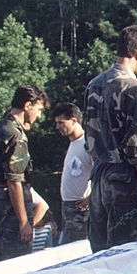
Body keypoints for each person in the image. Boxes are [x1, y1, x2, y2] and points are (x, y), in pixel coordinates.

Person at [84, 25, 137, 252]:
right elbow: (136, 145)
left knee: (99, 251)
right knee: (125, 251)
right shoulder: (132, 86)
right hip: (124, 180)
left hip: (99, 176)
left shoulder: (94, 84)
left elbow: (89, 137)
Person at [0, 85, 49, 264]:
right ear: (28, 105)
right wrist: (23, 222)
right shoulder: (15, 134)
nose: (39, 115)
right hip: (10, 207)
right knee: (16, 264)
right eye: (39, 109)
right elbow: (14, 181)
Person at [51, 102, 92, 244]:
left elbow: (100, 172)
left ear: (74, 120)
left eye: (61, 123)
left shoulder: (87, 143)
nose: (57, 127)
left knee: (73, 249)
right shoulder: (73, 144)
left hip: (80, 210)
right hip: (68, 208)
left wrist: (90, 198)